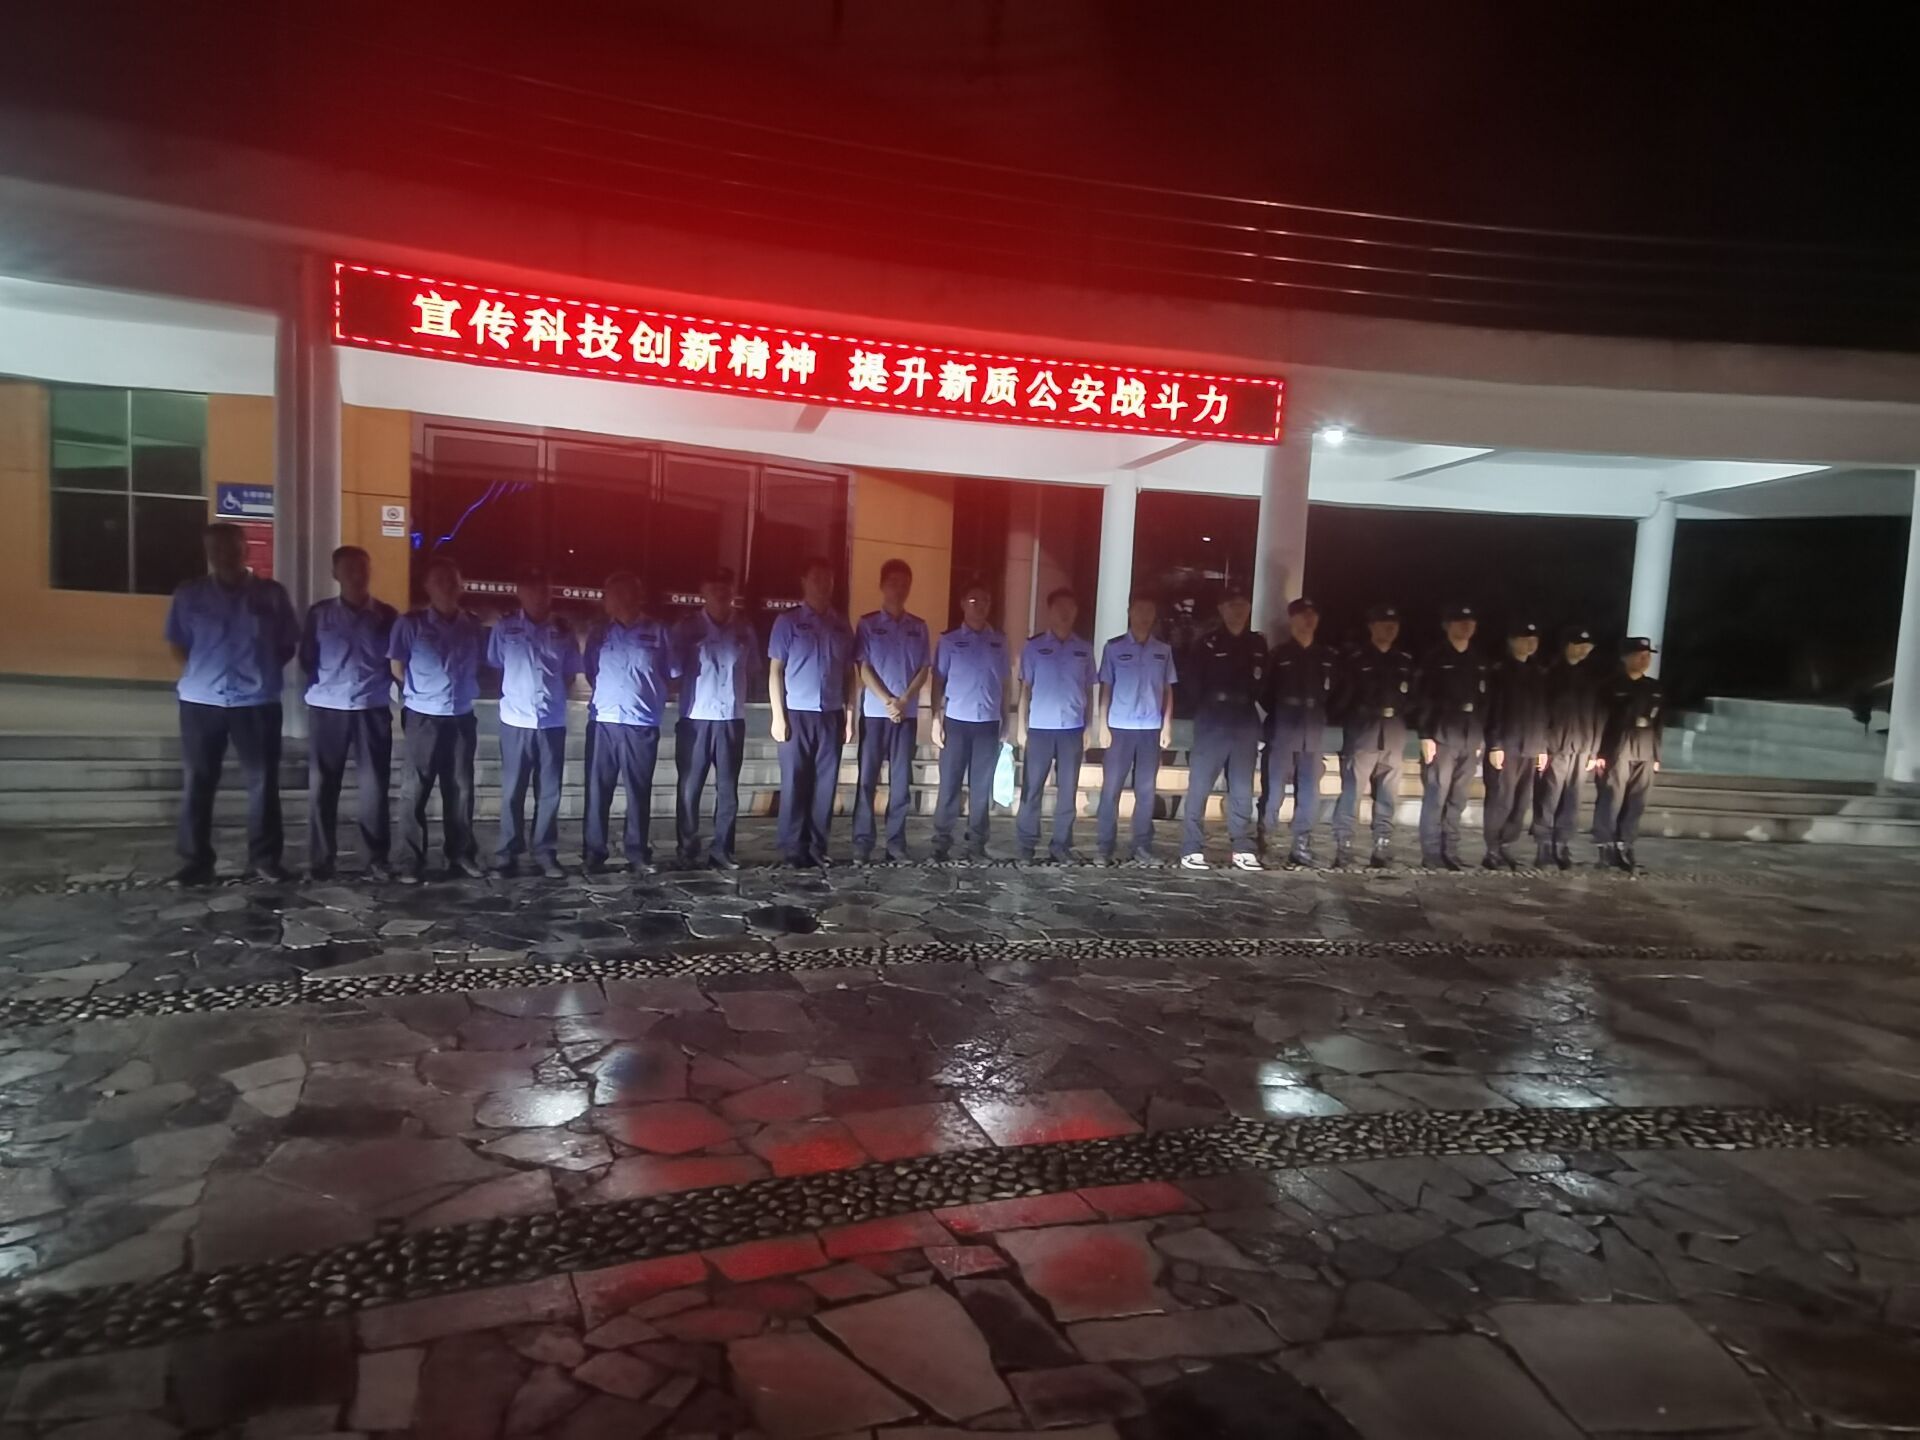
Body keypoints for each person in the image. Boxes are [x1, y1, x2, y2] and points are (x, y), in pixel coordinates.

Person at [164, 521, 300, 885]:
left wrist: (259, 671)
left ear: (246, 550)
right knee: (198, 781)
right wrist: (206, 672)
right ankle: (196, 861)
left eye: (231, 548)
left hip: (256, 702)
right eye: (216, 549)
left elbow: (287, 644)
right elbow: (178, 643)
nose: (223, 555)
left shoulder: (271, 594)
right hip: (201, 701)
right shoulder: (189, 594)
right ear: (208, 553)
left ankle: (265, 859)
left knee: (263, 782)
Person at [300, 545, 398, 881]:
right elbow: (307, 657)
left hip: (371, 709)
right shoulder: (320, 614)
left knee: (374, 787)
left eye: (362, 567)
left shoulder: (386, 615)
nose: (357, 574)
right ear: (335, 574)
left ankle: (375, 858)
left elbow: (394, 661)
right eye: (349, 568)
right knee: (323, 786)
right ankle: (320, 860)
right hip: (328, 708)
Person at [388, 555, 486, 883]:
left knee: (460, 788)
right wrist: (421, 694)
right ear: (428, 586)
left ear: (461, 586)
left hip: (460, 716)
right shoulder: (410, 623)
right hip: (423, 717)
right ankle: (410, 860)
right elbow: (397, 666)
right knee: (415, 788)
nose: (446, 587)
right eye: (439, 580)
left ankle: (460, 853)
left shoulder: (472, 624)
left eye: (452, 581)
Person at [488, 568, 583, 878]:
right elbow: (496, 663)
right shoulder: (505, 627)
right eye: (531, 589)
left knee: (549, 792)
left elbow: (570, 673)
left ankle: (545, 852)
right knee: (512, 791)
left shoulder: (563, 629)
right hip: (515, 720)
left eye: (544, 589)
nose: (538, 596)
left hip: (551, 721)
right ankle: (507, 853)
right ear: (520, 593)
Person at [584, 572, 677, 875]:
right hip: (604, 721)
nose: (612, 600)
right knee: (598, 791)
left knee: (638, 791)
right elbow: (591, 671)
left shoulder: (658, 631)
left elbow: (672, 671)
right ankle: (594, 853)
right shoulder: (600, 633)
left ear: (635, 597)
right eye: (610, 595)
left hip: (641, 722)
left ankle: (637, 852)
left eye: (620, 594)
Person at [768, 558, 857, 867]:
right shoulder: (788, 622)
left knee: (825, 784)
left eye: (828, 579)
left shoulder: (841, 624)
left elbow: (849, 673)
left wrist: (850, 714)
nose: (823, 584)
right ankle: (792, 847)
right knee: (795, 782)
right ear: (804, 581)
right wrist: (778, 716)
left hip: (830, 714)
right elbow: (775, 670)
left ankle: (818, 846)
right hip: (796, 714)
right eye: (817, 578)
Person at [673, 566, 757, 870]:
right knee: (690, 788)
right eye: (714, 588)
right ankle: (687, 849)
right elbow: (673, 669)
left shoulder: (744, 627)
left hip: (731, 718)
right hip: (696, 718)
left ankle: (723, 849)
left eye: (725, 588)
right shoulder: (688, 627)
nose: (721, 593)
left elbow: (753, 668)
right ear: (703, 592)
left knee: (728, 789)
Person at [1181, 584, 1267, 871]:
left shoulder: (1257, 644)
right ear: (1221, 609)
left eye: (1243, 604)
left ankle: (1242, 847)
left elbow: (1264, 682)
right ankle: (1191, 848)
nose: (1238, 610)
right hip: (1213, 718)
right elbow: (1192, 681)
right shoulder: (1208, 643)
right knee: (1200, 785)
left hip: (1244, 717)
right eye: (1232, 605)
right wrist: (1206, 709)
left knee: (1242, 787)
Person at [853, 559, 932, 864]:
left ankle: (896, 843)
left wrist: (904, 700)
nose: (899, 589)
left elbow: (924, 669)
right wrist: (888, 700)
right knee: (867, 780)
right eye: (893, 583)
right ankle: (862, 843)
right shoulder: (868, 624)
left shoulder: (918, 627)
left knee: (900, 783)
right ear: (882, 585)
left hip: (906, 715)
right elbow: (863, 667)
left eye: (904, 584)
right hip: (875, 714)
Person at [1016, 587, 1097, 863]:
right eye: (1059, 607)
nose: (1064, 613)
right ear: (1049, 611)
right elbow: (1025, 689)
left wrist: (1089, 726)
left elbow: (1089, 691)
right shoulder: (1034, 646)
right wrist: (1021, 727)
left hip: (1072, 729)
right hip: (1040, 728)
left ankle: (1061, 845)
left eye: (1069, 608)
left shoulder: (1084, 649)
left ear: (1076, 612)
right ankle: (1026, 845)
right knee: (1032, 789)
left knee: (1068, 791)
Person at [1330, 603, 1414, 869]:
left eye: (1394, 625)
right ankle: (1344, 845)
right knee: (1352, 792)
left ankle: (1382, 844)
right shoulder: (1356, 660)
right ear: (1371, 627)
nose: (1390, 629)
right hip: (1363, 730)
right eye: (1383, 624)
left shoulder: (1404, 661)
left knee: (1388, 794)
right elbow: (1342, 697)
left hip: (1393, 731)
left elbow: (1413, 697)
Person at [1094, 593, 1177, 864]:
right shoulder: (1114, 647)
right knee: (1111, 789)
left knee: (1146, 790)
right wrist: (1102, 724)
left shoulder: (1163, 650)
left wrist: (1166, 724)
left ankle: (1142, 846)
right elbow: (1106, 688)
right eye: (1139, 610)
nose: (1144, 616)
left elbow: (1168, 689)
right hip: (1119, 728)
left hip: (1150, 728)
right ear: (1130, 612)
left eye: (1149, 610)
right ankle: (1104, 846)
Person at [931, 579, 1008, 861]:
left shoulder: (999, 641)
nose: (980, 607)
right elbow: (938, 680)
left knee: (981, 788)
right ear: (963, 604)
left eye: (985, 601)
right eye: (974, 601)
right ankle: (941, 842)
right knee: (949, 786)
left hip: (987, 723)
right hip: (956, 723)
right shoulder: (949, 640)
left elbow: (1005, 682)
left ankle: (976, 843)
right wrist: (936, 717)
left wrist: (1006, 719)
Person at [1413, 602, 1491, 870]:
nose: (1467, 627)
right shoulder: (1434, 658)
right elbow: (1423, 698)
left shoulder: (1479, 660)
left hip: (1469, 736)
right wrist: (1425, 734)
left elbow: (1485, 701)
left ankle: (1451, 849)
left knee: (1458, 798)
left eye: (1471, 622)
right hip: (1441, 735)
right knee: (1436, 795)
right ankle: (1431, 852)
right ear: (1448, 625)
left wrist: (1480, 736)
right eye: (1460, 622)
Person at [1261, 596, 1337, 867]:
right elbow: (1265, 692)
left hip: (1312, 730)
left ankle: (1301, 845)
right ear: (1292, 619)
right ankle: (1266, 839)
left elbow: (1337, 693)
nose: (1309, 620)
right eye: (1303, 615)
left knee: (1309, 793)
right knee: (1274, 791)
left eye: (1313, 615)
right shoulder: (1279, 655)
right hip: (1284, 728)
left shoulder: (1327, 656)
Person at [1534, 623, 1606, 869]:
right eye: (1579, 645)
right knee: (1549, 797)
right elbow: (1541, 713)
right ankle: (1544, 845)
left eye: (1588, 646)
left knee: (1572, 799)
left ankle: (1562, 844)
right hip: (1557, 746)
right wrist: (1542, 746)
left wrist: (1595, 750)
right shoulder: (1551, 674)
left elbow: (1598, 715)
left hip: (1582, 747)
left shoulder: (1590, 677)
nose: (1584, 650)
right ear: (1567, 646)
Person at [1481, 619, 1551, 869]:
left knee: (1521, 802)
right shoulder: (1499, 672)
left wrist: (1543, 746)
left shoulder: (1538, 673)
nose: (1531, 644)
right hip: (1507, 745)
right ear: (1512, 642)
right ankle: (1492, 848)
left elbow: (1543, 712)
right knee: (1501, 799)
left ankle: (1507, 845)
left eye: (1534, 640)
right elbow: (1492, 710)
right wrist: (1495, 744)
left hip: (1531, 746)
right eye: (1525, 639)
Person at [1593, 636, 1665, 872]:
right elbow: (1599, 720)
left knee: (1636, 802)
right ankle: (1606, 847)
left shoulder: (1653, 688)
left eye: (1647, 656)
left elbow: (1658, 725)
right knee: (1611, 799)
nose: (1645, 660)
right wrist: (1598, 752)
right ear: (1626, 657)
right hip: (1617, 750)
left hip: (1644, 751)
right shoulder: (1609, 686)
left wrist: (1656, 755)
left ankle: (1626, 844)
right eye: (1639, 656)